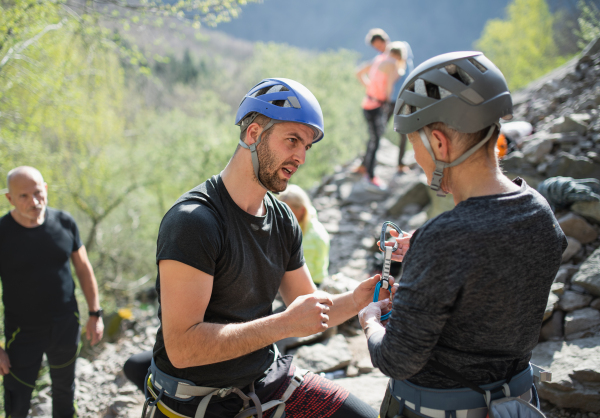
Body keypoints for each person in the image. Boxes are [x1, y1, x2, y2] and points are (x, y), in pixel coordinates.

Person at [147, 78, 387, 418]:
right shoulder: (195, 221)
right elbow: (183, 348)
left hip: (265, 381)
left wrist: (361, 300)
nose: (301, 156)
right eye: (293, 140)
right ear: (253, 133)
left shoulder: (284, 219)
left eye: (307, 146)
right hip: (195, 401)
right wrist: (283, 325)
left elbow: (308, 309)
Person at [358, 52, 568, 418]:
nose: (417, 159)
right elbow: (489, 250)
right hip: (517, 400)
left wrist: (370, 320)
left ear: (439, 143)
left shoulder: (447, 239)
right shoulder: (539, 210)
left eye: (414, 143)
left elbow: (397, 359)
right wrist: (424, 244)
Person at [0, 166, 104, 418]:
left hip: (65, 325)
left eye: (37, 192)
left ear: (45, 189)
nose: (34, 201)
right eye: (23, 196)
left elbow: (83, 268)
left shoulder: (64, 222)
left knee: (64, 392)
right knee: (16, 400)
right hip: (21, 333)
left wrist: (95, 313)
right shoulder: (2, 233)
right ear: (9, 198)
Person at [356, 36, 406, 188]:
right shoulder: (392, 64)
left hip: (367, 102)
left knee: (373, 138)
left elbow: (359, 73)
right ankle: (370, 176)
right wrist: (386, 102)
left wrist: (369, 88)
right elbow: (389, 87)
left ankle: (366, 170)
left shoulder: (379, 59)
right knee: (376, 140)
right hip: (378, 106)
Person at [278, 184, 330, 286]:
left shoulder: (315, 235)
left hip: (310, 284)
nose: (282, 216)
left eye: (288, 212)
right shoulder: (290, 227)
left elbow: (313, 270)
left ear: (301, 210)